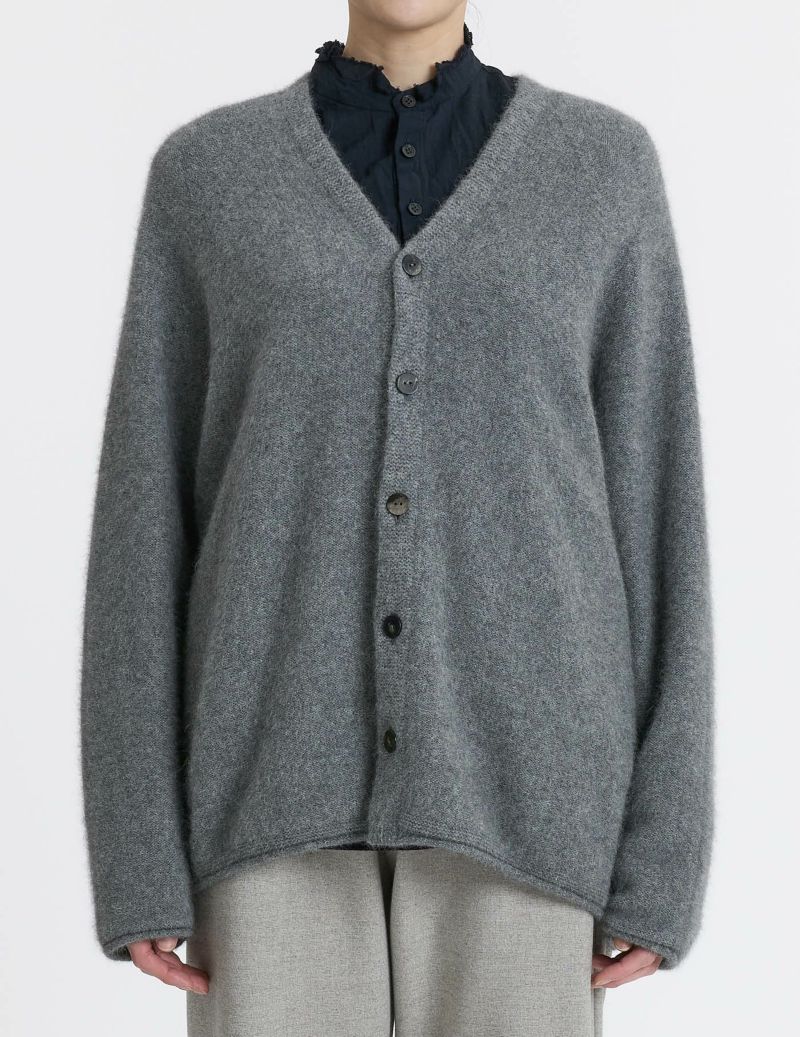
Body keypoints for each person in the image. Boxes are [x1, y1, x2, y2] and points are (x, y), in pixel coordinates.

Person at [79, 2, 715, 1035]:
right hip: (265, 797)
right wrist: (137, 852)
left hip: (533, 806)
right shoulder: (208, 175)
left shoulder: (602, 170)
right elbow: (141, 528)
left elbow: (659, 518)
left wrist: (664, 853)